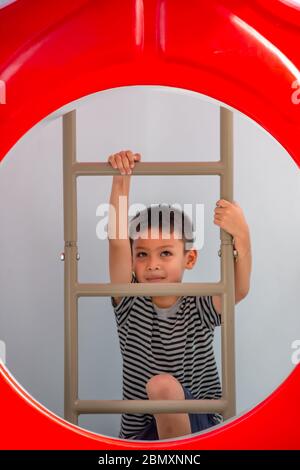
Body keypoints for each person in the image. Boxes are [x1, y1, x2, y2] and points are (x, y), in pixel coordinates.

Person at [108, 150, 252, 441]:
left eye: (165, 253)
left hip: (199, 423)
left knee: (163, 386)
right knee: (161, 387)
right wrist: (120, 179)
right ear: (133, 262)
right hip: (142, 430)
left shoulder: (198, 302)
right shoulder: (129, 300)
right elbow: (116, 240)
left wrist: (242, 235)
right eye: (142, 255)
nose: (153, 264)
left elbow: (238, 288)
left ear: (189, 259)